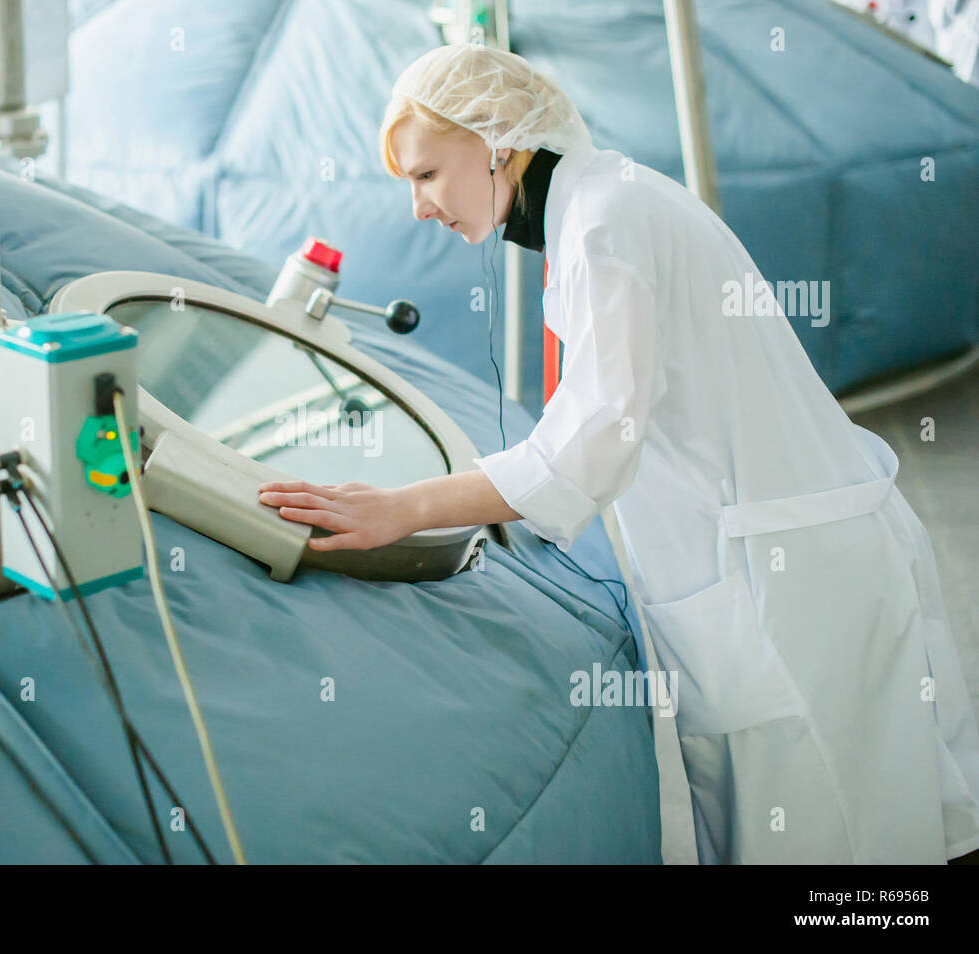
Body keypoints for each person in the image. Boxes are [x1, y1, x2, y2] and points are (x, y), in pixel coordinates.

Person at [256, 43, 979, 864]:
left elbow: (595, 436)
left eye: (425, 175)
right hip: (785, 564)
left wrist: (399, 507)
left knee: (843, 857)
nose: (419, 206)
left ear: (496, 138)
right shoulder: (602, 206)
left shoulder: (604, 223)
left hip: (789, 585)